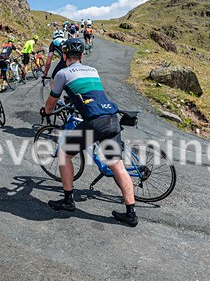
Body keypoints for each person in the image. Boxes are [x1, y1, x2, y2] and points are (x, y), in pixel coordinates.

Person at [40, 38, 138, 227]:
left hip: (94, 122)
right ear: (82, 56)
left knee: (64, 154)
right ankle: (131, 213)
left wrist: (46, 112)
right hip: (111, 118)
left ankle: (68, 201)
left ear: (65, 56)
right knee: (118, 166)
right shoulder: (93, 70)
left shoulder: (62, 73)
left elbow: (52, 103)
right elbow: (91, 93)